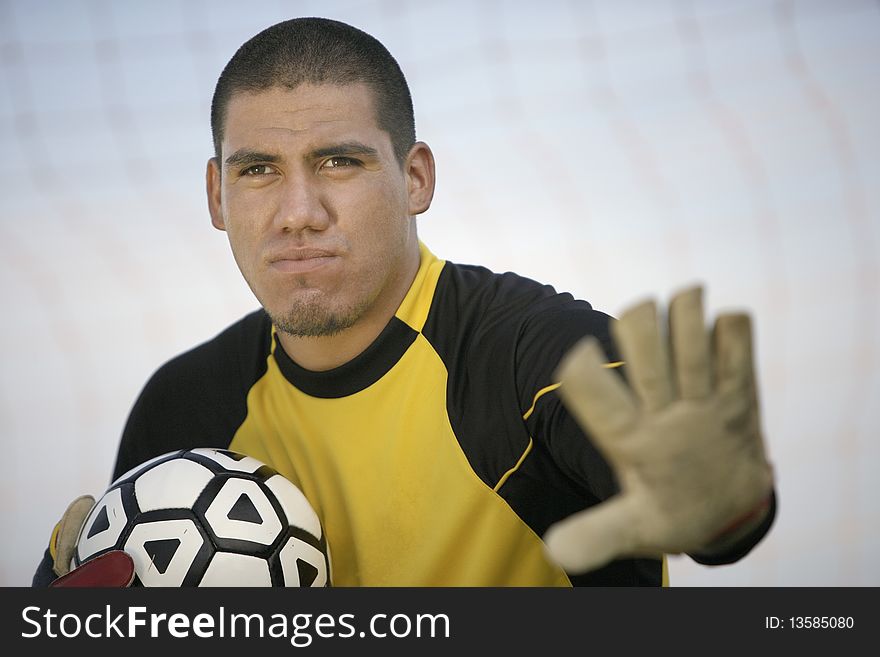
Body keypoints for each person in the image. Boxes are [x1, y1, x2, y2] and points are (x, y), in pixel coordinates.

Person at [34, 17, 775, 587]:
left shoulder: (532, 354)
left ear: (415, 177)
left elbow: (695, 498)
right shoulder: (184, 408)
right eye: (259, 169)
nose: (298, 211)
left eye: (338, 161)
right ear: (216, 195)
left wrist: (724, 507)